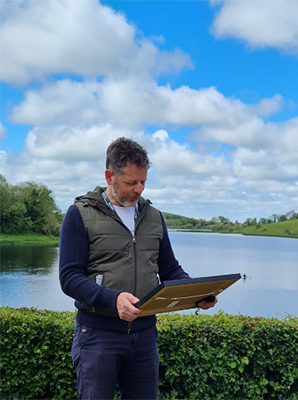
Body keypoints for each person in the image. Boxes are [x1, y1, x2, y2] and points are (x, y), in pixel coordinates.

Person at [59, 137, 217, 400]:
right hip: (98, 336)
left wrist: (195, 292)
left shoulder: (153, 217)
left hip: (144, 338)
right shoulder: (79, 214)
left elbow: (170, 269)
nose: (139, 189)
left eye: (143, 181)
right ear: (110, 176)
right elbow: (69, 278)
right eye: (131, 182)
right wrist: (115, 298)